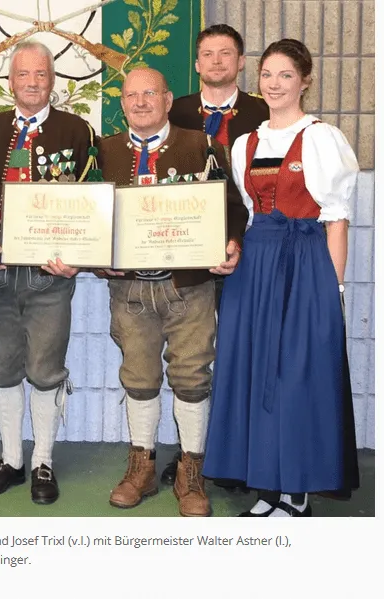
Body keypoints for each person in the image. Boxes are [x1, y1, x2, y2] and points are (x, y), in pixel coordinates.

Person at [204, 39, 360, 517]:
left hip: (304, 264)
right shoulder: (245, 144)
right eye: (267, 74)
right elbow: (249, 214)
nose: (274, 84)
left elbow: (336, 219)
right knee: (255, 370)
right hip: (255, 268)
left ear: (305, 81)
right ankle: (267, 485)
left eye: (286, 75)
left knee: (296, 375)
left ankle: (297, 490)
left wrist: (333, 290)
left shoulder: (321, 138)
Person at [96, 68, 247, 517]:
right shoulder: (104, 150)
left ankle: (191, 472)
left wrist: (232, 242)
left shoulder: (201, 145)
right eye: (131, 95)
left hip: (189, 288)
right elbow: (87, 215)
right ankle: (141, 467)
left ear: (167, 100)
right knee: (138, 377)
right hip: (130, 290)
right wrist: (93, 257)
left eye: (150, 93)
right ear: (122, 103)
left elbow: (233, 207)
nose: (140, 102)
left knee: (192, 376)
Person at [0, 40, 100, 506]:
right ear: (10, 82)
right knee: (3, 367)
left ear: (53, 80)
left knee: (46, 369)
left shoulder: (77, 130)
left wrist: (80, 255)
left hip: (51, 277)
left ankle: (43, 459)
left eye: (40, 74)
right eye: (23, 74)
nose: (32, 82)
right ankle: (11, 459)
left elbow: (92, 201)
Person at [163, 23, 269, 490]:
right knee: (190, 360)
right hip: (187, 256)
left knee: (241, 352)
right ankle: (192, 451)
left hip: (248, 250)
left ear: (242, 62)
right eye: (208, 53)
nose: (217, 61)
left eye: (227, 53)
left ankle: (239, 453)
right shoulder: (176, 110)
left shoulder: (264, 112)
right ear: (196, 63)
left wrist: (238, 240)